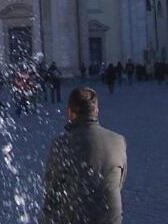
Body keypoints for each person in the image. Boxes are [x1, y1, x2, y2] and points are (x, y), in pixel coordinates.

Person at [42, 87, 127, 224]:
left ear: (70, 113)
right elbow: (118, 183)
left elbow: (52, 192)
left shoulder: (63, 144)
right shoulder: (118, 141)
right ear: (96, 111)